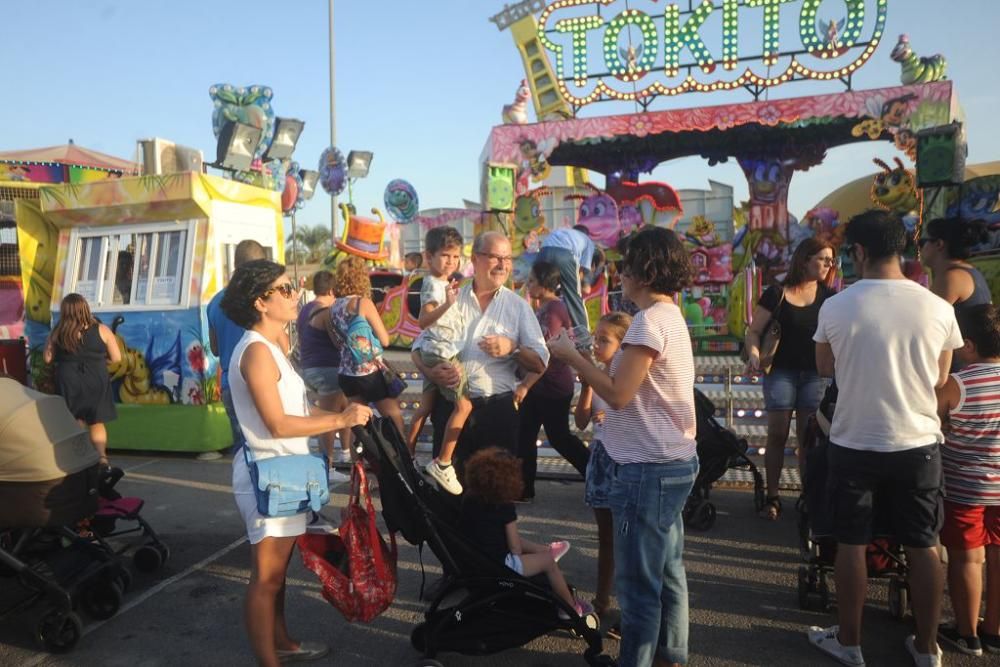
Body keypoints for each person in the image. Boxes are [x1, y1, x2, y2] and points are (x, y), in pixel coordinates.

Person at [808, 209, 963, 667]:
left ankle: (850, 643)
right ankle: (926, 646)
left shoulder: (836, 306)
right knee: (923, 544)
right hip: (917, 444)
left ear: (858, 251)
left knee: (852, 543)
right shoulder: (937, 307)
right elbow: (940, 377)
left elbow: (823, 367)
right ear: (903, 250)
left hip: (854, 440)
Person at [549, 226, 698, 667]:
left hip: (646, 467)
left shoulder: (648, 323)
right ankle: (672, 657)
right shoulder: (669, 317)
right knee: (668, 572)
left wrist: (572, 358)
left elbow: (618, 394)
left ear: (645, 271)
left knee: (637, 588)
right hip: (671, 460)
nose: (620, 274)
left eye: (626, 265)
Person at [220, 259, 372, 667]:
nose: (295, 295)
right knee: (266, 579)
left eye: (294, 286)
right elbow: (276, 423)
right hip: (267, 476)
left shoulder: (272, 347)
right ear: (260, 301)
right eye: (285, 289)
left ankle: (283, 643)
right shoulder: (255, 352)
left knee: (278, 575)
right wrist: (340, 419)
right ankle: (269, 660)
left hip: (285, 474)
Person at [413, 231, 548, 470]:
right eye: (495, 257)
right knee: (448, 499)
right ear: (475, 259)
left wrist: (512, 348)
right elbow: (418, 346)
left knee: (495, 496)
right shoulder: (451, 297)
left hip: (496, 413)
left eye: (507, 258)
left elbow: (540, 363)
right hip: (450, 408)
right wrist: (430, 372)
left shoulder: (518, 307)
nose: (503, 265)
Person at [744, 238, 836, 520]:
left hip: (815, 374)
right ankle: (773, 496)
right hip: (780, 371)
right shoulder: (777, 293)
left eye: (831, 260)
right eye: (822, 259)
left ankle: (808, 495)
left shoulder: (830, 297)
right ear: (805, 259)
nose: (828, 265)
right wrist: (754, 355)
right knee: (777, 434)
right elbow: (753, 331)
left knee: (808, 439)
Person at [935, 304, 1000, 656]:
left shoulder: (956, 385)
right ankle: (994, 630)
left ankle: (966, 633)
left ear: (970, 345)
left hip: (965, 488)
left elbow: (935, 424)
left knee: (968, 559)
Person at [458, 447, 588, 617]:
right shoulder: (504, 506)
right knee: (549, 563)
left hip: (476, 559)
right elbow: (515, 549)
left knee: (512, 539)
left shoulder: (469, 498)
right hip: (500, 565)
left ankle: (544, 550)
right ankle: (569, 607)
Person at [575, 311, 631, 626]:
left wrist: (612, 417)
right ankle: (601, 599)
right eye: (596, 338)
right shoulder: (595, 376)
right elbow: (580, 421)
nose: (596, 345)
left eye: (604, 340)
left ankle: (628, 605)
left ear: (623, 346)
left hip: (624, 460)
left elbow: (633, 412)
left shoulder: (630, 377)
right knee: (605, 536)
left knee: (628, 538)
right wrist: (586, 387)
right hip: (599, 458)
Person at [517, 260, 590, 501]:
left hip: (551, 386)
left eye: (532, 281)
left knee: (558, 438)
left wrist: (525, 385)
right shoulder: (544, 308)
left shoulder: (553, 310)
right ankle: (524, 489)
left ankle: (595, 473)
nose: (528, 285)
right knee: (525, 436)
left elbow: (546, 352)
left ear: (545, 284)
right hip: (540, 385)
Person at [404, 226, 469, 495]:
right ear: (428, 257)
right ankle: (443, 462)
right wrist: (448, 304)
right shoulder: (432, 284)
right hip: (443, 353)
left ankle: (405, 457)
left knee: (424, 408)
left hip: (434, 350)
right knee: (464, 407)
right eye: (445, 256)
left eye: (455, 257)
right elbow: (424, 320)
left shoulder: (443, 283)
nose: (451, 262)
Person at [329, 256, 406, 439]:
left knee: (357, 423)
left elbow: (336, 342)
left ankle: (358, 465)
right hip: (369, 372)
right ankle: (406, 457)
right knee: (393, 415)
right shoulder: (363, 303)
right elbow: (385, 340)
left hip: (346, 373)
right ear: (362, 278)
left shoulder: (333, 307)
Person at [44, 293, 122, 469]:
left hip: (69, 380)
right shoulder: (102, 330)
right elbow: (117, 358)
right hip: (96, 379)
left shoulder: (58, 331)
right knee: (96, 420)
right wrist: (99, 360)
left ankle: (79, 460)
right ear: (85, 308)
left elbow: (47, 358)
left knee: (75, 420)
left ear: (65, 312)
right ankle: (102, 458)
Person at [208, 239, 268, 454]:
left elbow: (214, 349)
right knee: (266, 450)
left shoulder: (215, 302)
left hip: (229, 384)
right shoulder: (260, 299)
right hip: (259, 381)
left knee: (243, 452)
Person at [921, 217, 992, 369]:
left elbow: (925, 323)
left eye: (924, 242)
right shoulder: (968, 272)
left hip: (959, 370)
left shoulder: (951, 278)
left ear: (939, 244)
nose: (921, 248)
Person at [297, 270, 351, 467]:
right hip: (327, 369)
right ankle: (326, 464)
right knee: (329, 418)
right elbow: (338, 342)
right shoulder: (325, 312)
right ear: (330, 290)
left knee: (346, 407)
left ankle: (345, 453)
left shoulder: (305, 309)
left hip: (309, 368)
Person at [537, 224, 596, 346]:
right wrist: (581, 284)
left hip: (543, 252)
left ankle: (538, 333)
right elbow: (583, 270)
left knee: (541, 294)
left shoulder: (562, 231)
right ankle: (584, 343)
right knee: (574, 299)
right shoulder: (588, 241)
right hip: (564, 254)